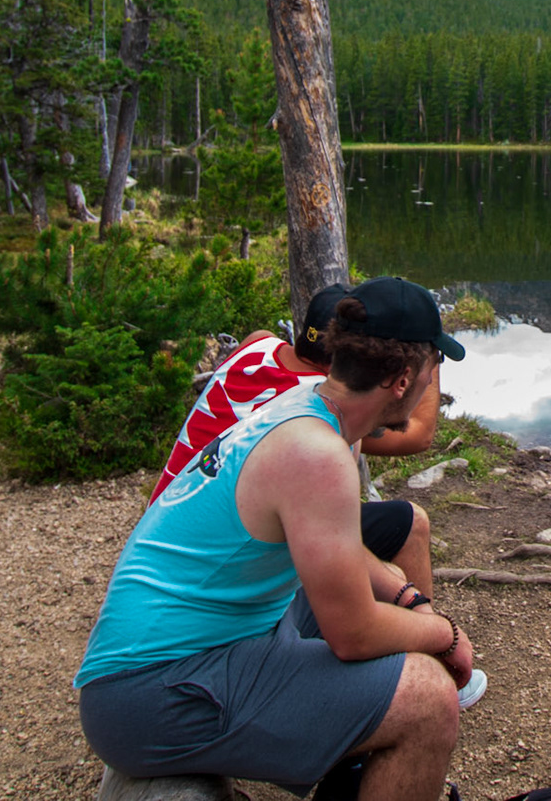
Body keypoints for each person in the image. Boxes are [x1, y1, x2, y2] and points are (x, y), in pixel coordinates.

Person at [77, 277, 477, 799]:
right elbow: (352, 634)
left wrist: (406, 597)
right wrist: (443, 634)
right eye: (431, 367)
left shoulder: (306, 406)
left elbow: (335, 546)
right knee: (428, 698)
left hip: (188, 648)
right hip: (149, 691)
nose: (431, 383)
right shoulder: (315, 454)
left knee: (391, 586)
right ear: (403, 379)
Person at [151, 282, 448, 607]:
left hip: (165, 527)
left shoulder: (257, 344)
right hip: (218, 564)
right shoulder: (321, 413)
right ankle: (421, 636)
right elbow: (420, 435)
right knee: (409, 524)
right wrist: (426, 354)